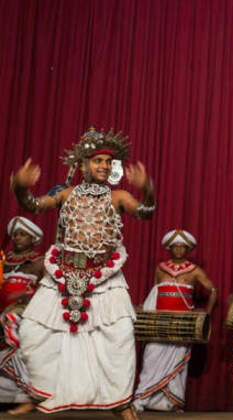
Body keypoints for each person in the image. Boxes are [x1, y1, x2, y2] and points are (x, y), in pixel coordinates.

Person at [10, 126, 155, 419]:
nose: (104, 166)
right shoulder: (65, 194)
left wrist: (148, 187)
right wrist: (20, 186)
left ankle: (120, 403)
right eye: (97, 160)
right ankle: (40, 393)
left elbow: (147, 212)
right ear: (83, 165)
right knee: (32, 332)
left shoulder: (119, 196)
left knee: (119, 338)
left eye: (108, 162)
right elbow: (33, 205)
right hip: (62, 275)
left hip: (105, 278)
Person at [133, 229, 217, 413]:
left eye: (182, 247)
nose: (179, 250)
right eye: (175, 247)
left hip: (181, 325)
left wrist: (207, 314)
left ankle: (171, 403)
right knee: (151, 357)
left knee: (177, 363)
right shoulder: (160, 268)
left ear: (188, 250)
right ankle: (142, 399)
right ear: (169, 248)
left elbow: (213, 290)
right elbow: (154, 292)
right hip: (159, 323)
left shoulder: (195, 270)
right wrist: (144, 308)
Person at [0, 217, 45, 415]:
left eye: (23, 234)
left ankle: (31, 391)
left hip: (27, 311)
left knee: (10, 321)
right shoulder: (4, 260)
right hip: (3, 309)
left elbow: (46, 292)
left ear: (33, 238)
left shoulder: (40, 262)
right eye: (16, 234)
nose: (18, 238)